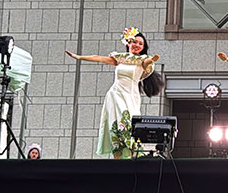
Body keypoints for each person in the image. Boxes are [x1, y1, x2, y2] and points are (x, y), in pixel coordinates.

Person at [65, 27, 164, 158]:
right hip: (115, 94)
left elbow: (147, 62)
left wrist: (152, 60)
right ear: (129, 42)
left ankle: (134, 152)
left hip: (130, 95)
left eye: (141, 44)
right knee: (115, 124)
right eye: (135, 42)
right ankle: (118, 153)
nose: (137, 45)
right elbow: (98, 58)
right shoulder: (120, 58)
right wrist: (78, 57)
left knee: (128, 122)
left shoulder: (142, 61)